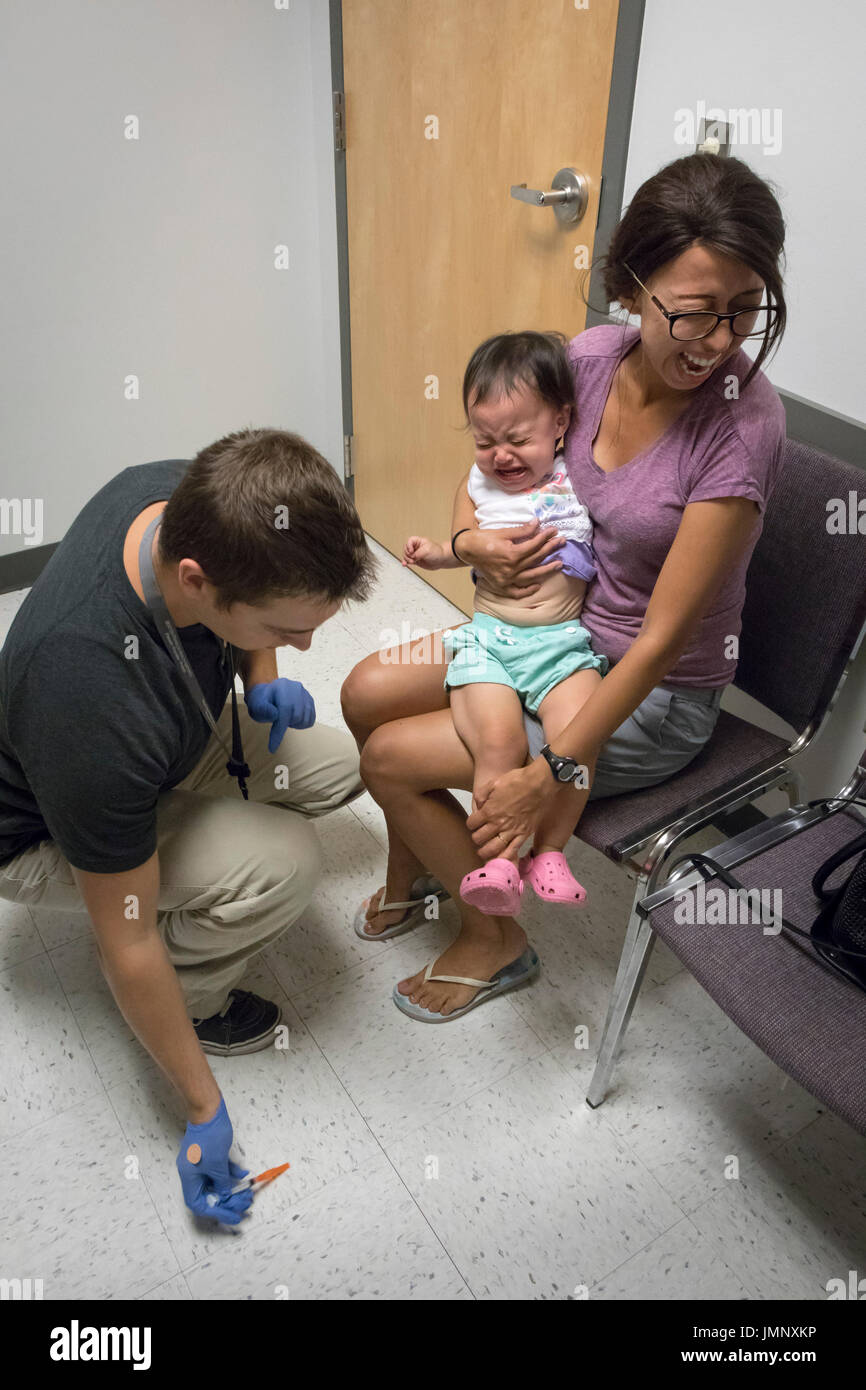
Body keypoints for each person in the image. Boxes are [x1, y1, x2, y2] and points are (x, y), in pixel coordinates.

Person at [342, 152, 788, 1023]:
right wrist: (472, 543)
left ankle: (492, 942)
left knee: (388, 758)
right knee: (364, 690)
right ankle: (422, 874)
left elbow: (660, 641)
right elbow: (494, 468)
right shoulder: (585, 361)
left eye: (744, 310)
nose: (722, 341)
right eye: (695, 314)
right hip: (542, 630)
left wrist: (558, 765)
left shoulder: (743, 428)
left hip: (645, 689)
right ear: (631, 286)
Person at [0, 428, 377, 1222]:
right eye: (285, 630)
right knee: (285, 860)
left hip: (172, 730)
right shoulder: (83, 691)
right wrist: (202, 1112)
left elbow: (247, 634)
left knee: (345, 765)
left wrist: (263, 670)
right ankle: (199, 1002)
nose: (306, 644)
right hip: (45, 827)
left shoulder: (189, 494)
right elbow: (125, 939)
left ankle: (209, 843)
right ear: (197, 581)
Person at [400, 330, 608, 915]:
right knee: (500, 742)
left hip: (564, 646)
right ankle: (497, 860)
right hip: (491, 642)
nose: (501, 455)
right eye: (485, 439)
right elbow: (457, 547)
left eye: (518, 438)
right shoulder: (477, 484)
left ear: (561, 422)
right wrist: (439, 550)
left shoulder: (581, 475)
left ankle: (550, 852)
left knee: (577, 741)